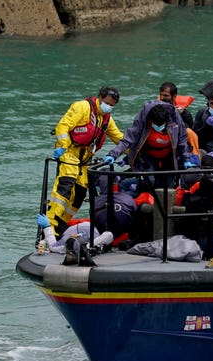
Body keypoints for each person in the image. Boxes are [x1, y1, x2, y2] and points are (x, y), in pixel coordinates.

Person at [46, 86, 124, 236]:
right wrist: (62, 146)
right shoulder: (82, 107)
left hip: (86, 157)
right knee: (65, 185)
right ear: (100, 98)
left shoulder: (106, 120)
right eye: (107, 103)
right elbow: (62, 126)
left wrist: (134, 150)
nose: (109, 107)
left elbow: (118, 137)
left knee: (80, 193)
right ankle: (50, 225)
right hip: (69, 151)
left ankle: (62, 222)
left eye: (112, 106)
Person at [104, 100, 193, 176]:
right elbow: (128, 139)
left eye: (160, 125)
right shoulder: (143, 120)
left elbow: (182, 139)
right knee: (149, 177)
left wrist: (186, 159)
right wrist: (113, 155)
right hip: (149, 155)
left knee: (168, 180)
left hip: (169, 155)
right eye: (155, 125)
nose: (158, 128)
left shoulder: (175, 119)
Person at [36, 214, 113, 254]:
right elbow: (53, 246)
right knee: (108, 235)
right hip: (78, 242)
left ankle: (86, 248)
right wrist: (47, 226)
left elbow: (53, 246)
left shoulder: (92, 229)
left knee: (108, 235)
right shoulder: (66, 239)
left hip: (85, 241)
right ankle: (85, 248)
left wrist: (47, 227)